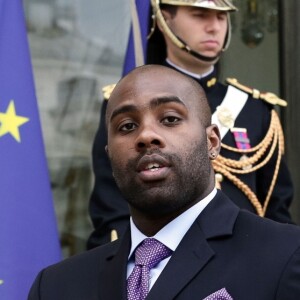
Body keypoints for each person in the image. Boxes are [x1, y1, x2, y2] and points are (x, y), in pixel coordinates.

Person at [28, 65, 300, 299]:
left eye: (170, 119)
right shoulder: (56, 287)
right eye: (127, 126)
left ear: (212, 142)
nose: (146, 135)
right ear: (109, 155)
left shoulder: (285, 257)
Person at [87, 0, 294, 249]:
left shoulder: (255, 109)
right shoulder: (124, 106)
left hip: (243, 262)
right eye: (199, 15)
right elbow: (112, 208)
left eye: (221, 17)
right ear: (164, 19)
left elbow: (275, 208)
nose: (214, 27)